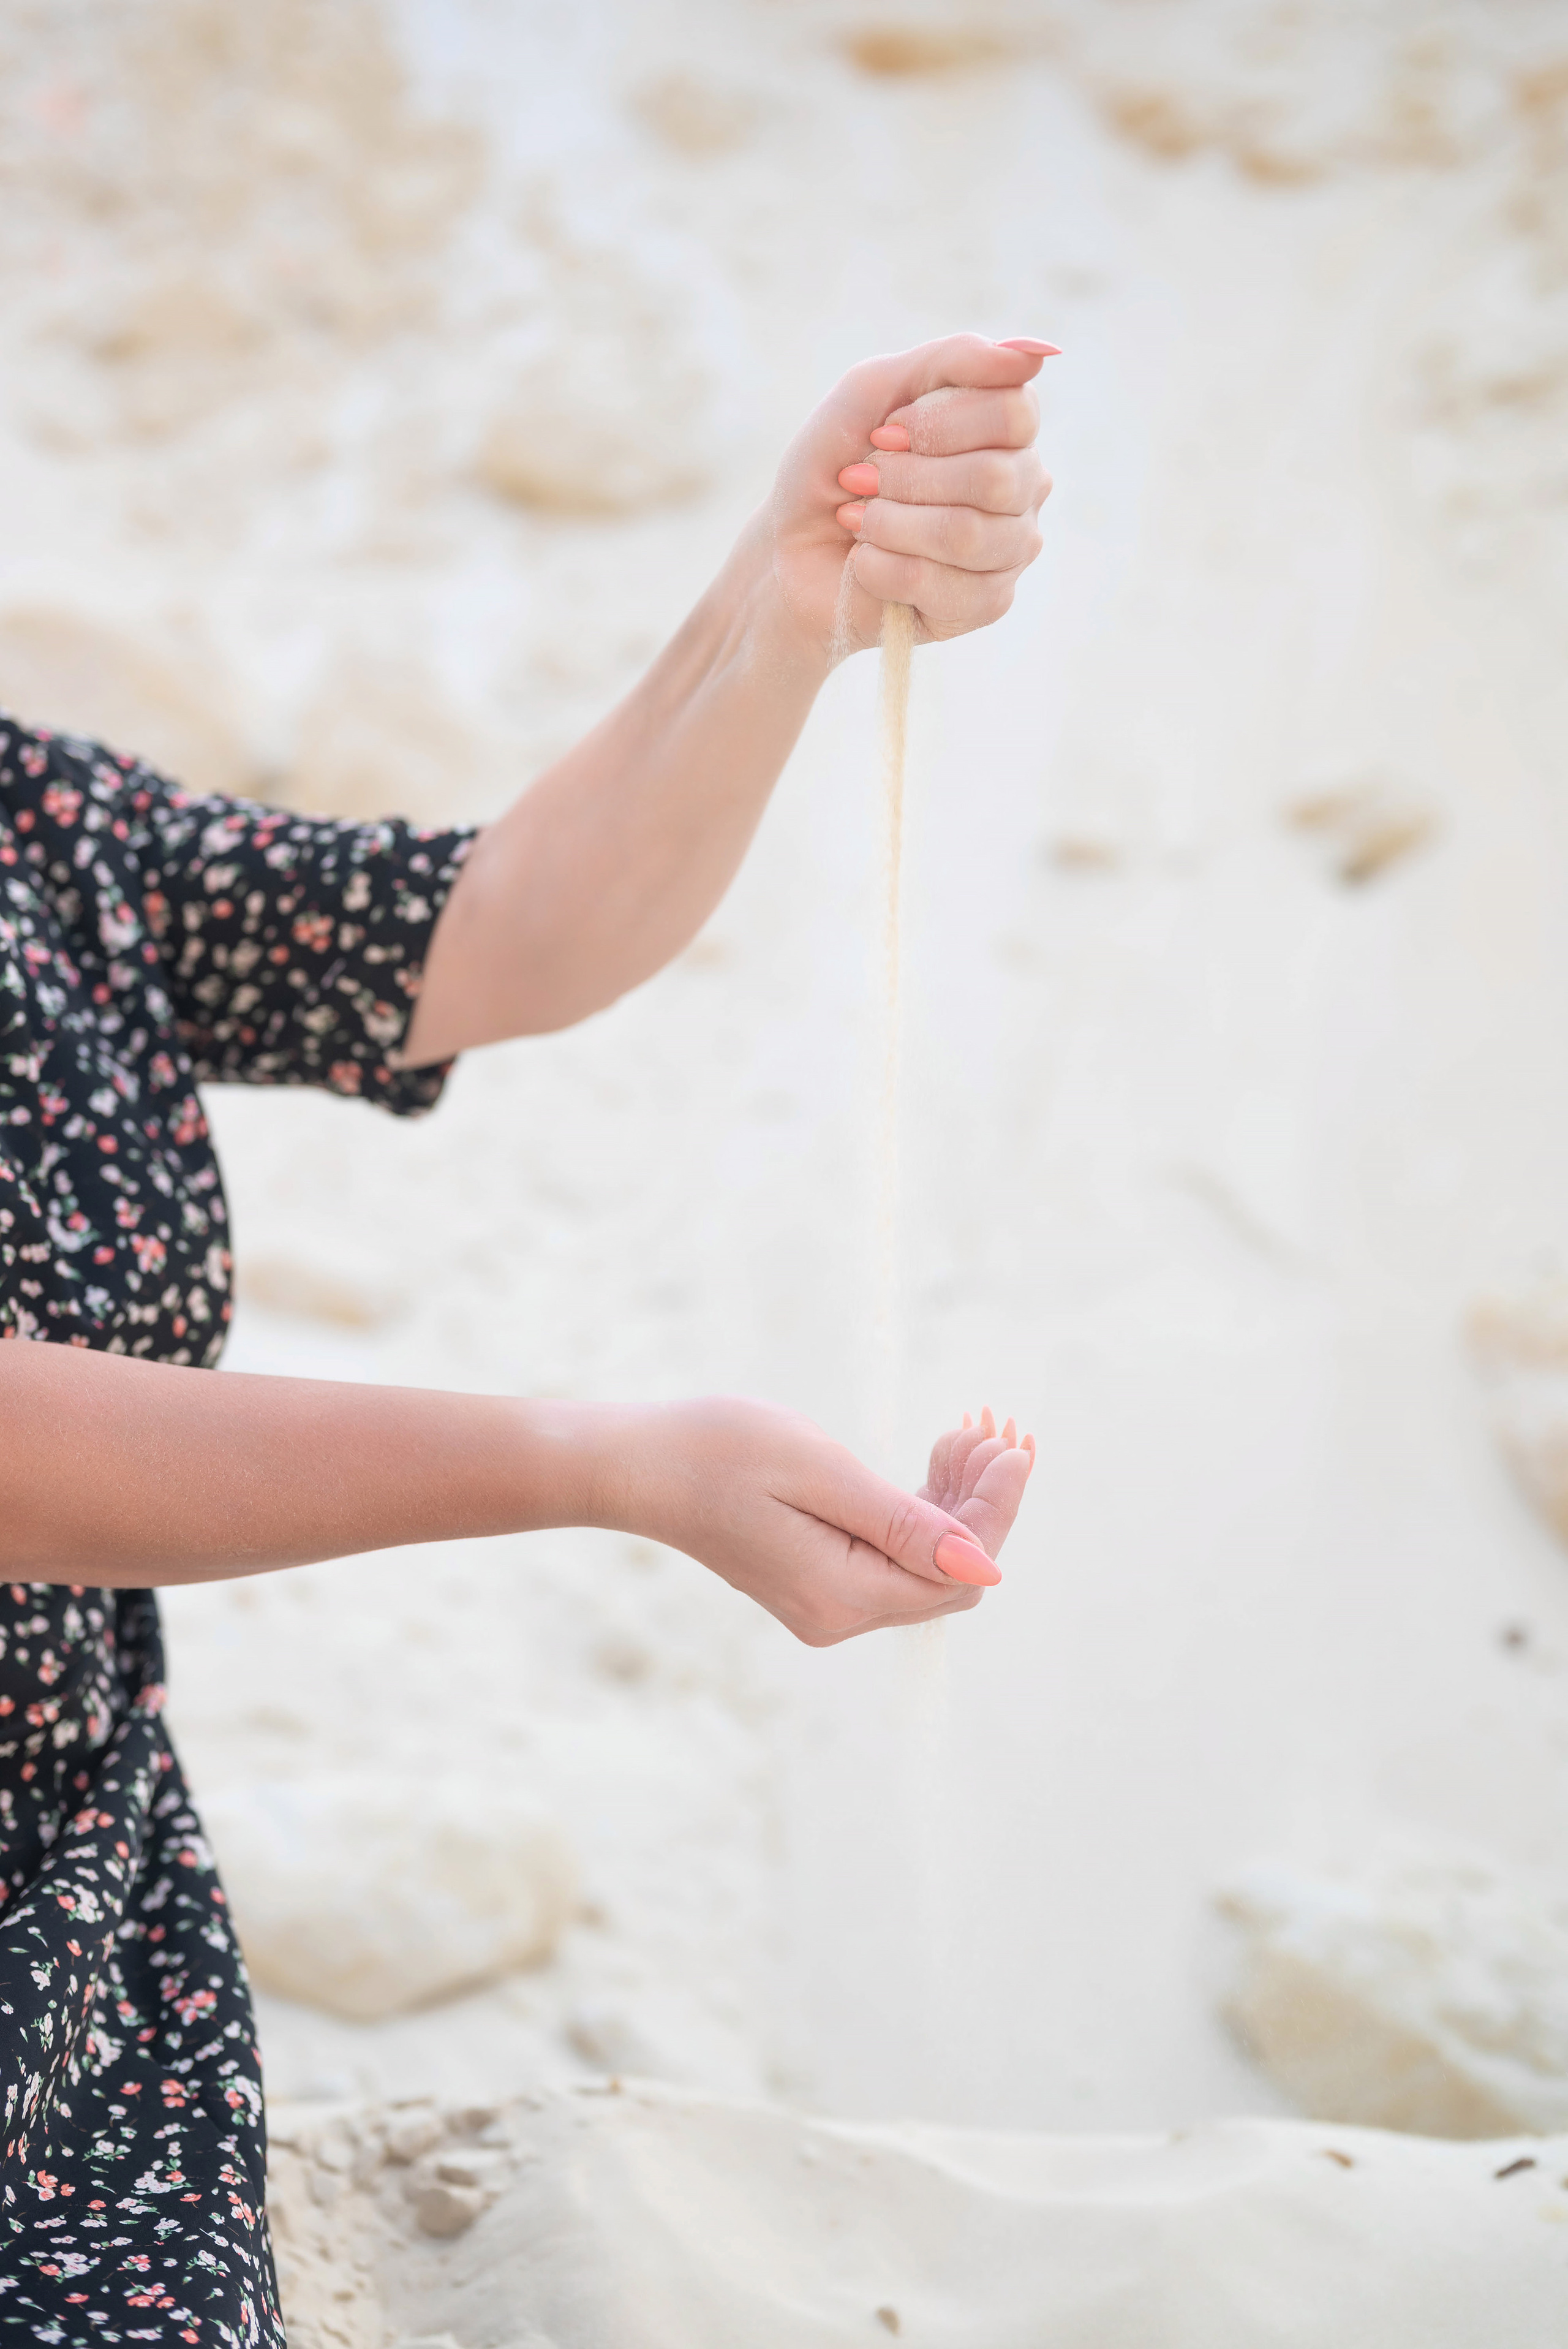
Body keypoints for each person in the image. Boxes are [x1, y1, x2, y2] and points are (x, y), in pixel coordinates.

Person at [0, 331, 1052, 2345]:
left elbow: (494, 930)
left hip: (69, 1938)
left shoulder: (34, 825)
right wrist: (599, 1463)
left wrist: (787, 595)